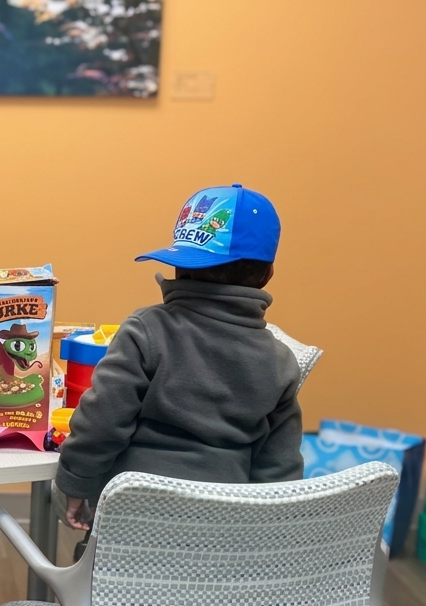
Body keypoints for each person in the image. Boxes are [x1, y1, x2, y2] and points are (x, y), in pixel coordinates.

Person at [56, 184, 304, 539]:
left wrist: (76, 481)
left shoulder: (147, 329)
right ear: (268, 275)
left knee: (67, 491)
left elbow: (102, 421)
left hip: (132, 529)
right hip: (223, 537)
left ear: (179, 265)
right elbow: (279, 466)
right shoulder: (280, 359)